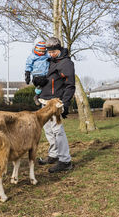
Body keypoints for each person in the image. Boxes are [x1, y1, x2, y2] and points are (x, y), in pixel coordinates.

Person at [37, 36, 75, 173]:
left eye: (53, 52)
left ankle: (65, 160)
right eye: (49, 51)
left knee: (58, 130)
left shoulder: (66, 63)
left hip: (56, 102)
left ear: (59, 49)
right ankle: (53, 155)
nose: (51, 54)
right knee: (48, 129)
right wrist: (39, 87)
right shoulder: (50, 62)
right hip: (45, 101)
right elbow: (50, 81)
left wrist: (65, 103)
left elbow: (70, 85)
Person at [25, 40, 50, 105]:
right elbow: (28, 65)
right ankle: (37, 95)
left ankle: (38, 96)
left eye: (43, 51)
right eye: (40, 51)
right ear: (36, 50)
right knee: (40, 84)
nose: (41, 53)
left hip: (45, 74)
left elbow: (52, 56)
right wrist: (27, 74)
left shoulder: (47, 55)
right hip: (37, 74)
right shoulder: (32, 56)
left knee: (45, 86)